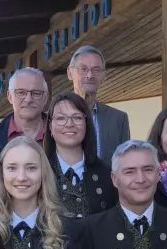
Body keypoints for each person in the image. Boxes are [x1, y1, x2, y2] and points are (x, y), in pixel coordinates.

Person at [45, 91, 118, 219]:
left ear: (87, 124)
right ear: (50, 126)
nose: (69, 124)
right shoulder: (40, 173)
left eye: (77, 117)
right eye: (61, 118)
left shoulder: (107, 175)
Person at [68, 45, 131, 160]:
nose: (90, 75)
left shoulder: (119, 119)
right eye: (83, 69)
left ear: (103, 76)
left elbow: (124, 163)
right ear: (70, 73)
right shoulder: (55, 116)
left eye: (96, 70)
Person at [0, 67, 49, 149]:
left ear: (45, 98)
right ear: (10, 97)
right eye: (21, 93)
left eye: (36, 93)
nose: (28, 99)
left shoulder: (61, 134)